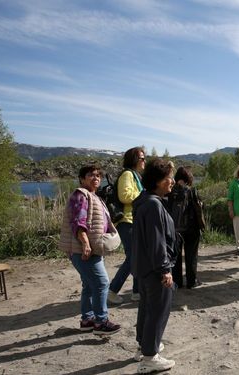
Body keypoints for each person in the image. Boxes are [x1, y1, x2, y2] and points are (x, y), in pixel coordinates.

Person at [60, 164, 121, 335]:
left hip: (90, 249)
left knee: (89, 284)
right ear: (81, 178)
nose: (96, 178)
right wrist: (85, 243)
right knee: (102, 283)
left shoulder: (94, 196)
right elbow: (78, 222)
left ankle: (87, 319)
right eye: (91, 175)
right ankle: (101, 322)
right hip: (83, 249)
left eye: (98, 175)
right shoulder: (81, 195)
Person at [132, 158, 177, 373]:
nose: (173, 182)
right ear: (159, 180)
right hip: (154, 268)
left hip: (143, 266)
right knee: (158, 310)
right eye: (169, 177)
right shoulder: (153, 204)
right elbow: (157, 241)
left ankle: (145, 346)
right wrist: (165, 269)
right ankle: (150, 357)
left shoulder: (144, 200)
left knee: (147, 308)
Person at [108, 146, 146, 304]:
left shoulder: (136, 176)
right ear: (134, 160)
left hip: (135, 221)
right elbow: (125, 196)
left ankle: (137, 292)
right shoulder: (128, 174)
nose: (144, 161)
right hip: (127, 221)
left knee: (138, 257)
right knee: (133, 258)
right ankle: (111, 291)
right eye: (142, 158)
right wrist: (145, 194)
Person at [168, 167, 202, 289]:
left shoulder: (170, 191)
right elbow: (199, 209)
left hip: (174, 229)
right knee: (191, 255)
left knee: (175, 257)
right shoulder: (192, 191)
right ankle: (192, 282)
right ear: (189, 178)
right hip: (191, 228)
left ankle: (177, 282)